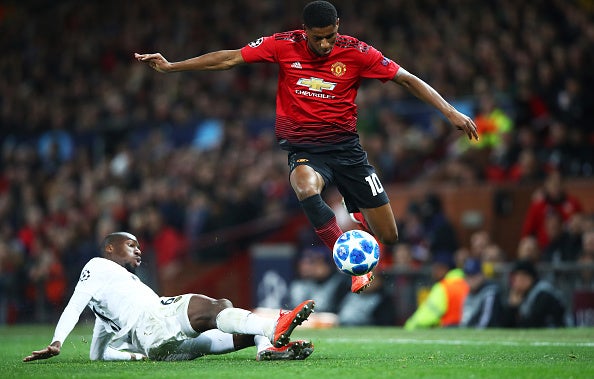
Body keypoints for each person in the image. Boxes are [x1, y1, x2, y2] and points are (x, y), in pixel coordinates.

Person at [135, 0, 479, 293]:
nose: (326, 44)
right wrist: (173, 66)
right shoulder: (283, 44)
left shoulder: (357, 52)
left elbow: (406, 78)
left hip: (348, 152)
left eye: (331, 36)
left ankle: (352, 203)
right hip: (306, 151)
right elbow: (230, 58)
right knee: (303, 184)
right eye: (319, 38)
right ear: (305, 30)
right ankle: (348, 261)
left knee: (388, 236)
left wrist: (450, 112)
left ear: (338, 27)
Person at [23, 232, 315, 362]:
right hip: (155, 322)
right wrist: (57, 341)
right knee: (219, 306)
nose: (138, 250)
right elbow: (74, 304)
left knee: (244, 330)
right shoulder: (97, 266)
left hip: (162, 348)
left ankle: (266, 348)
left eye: (139, 247)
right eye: (130, 244)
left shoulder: (110, 304)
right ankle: (271, 328)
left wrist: (135, 357)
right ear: (109, 248)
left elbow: (96, 354)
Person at [404, 255, 469, 330]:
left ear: (445, 269)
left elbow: (427, 316)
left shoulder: (443, 287)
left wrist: (410, 325)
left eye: (437, 268)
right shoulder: (468, 282)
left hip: (451, 330)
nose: (434, 271)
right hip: (471, 328)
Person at [501, 260, 567, 328]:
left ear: (529, 278)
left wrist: (514, 309)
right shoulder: (522, 294)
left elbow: (534, 324)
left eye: (518, 278)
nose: (515, 283)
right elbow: (506, 325)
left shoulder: (544, 293)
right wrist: (512, 308)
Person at [460, 258, 504, 328]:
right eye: (468, 275)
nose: (470, 280)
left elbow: (485, 323)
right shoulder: (469, 292)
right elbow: (465, 320)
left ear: (482, 275)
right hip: (469, 329)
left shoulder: (490, 291)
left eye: (474, 275)